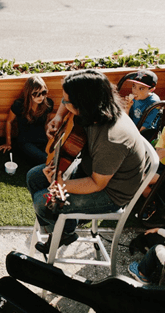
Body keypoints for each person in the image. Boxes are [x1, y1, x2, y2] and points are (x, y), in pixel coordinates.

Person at [28, 69, 147, 254]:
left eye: (67, 102)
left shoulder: (112, 137)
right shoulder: (98, 107)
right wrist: (59, 117)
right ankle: (64, 230)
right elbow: (67, 99)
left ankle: (64, 230)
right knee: (33, 177)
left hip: (110, 192)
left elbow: (97, 184)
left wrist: (61, 184)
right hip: (92, 167)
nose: (63, 103)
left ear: (83, 103)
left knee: (41, 201)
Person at [0, 76, 53, 166]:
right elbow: (9, 122)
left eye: (43, 92)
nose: (41, 97)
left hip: (42, 139)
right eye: (36, 94)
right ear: (28, 93)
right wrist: (8, 143)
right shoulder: (19, 105)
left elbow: (46, 123)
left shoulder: (48, 103)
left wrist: (50, 140)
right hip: (26, 142)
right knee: (46, 160)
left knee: (54, 156)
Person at [126, 70, 161, 140]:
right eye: (134, 86)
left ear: (151, 89)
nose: (135, 91)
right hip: (133, 129)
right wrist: (127, 107)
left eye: (141, 88)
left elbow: (146, 126)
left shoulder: (154, 102)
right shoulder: (135, 99)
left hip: (146, 135)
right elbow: (127, 119)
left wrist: (132, 137)